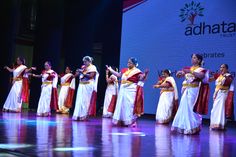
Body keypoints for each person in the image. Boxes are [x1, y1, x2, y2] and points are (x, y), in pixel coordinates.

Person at [171, 54, 209, 134]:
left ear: (199, 60)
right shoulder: (189, 68)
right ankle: (184, 127)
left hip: (194, 91)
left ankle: (193, 126)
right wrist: (179, 74)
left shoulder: (201, 69)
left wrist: (190, 71)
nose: (192, 59)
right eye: (192, 57)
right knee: (184, 108)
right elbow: (181, 75)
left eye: (194, 57)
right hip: (187, 90)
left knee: (192, 108)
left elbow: (201, 76)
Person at [106, 57, 148, 127]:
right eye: (128, 62)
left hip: (131, 90)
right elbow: (119, 75)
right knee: (122, 105)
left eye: (130, 62)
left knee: (129, 105)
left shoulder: (137, 71)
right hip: (123, 90)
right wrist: (110, 69)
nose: (128, 63)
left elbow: (141, 78)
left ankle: (130, 121)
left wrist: (145, 74)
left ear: (134, 64)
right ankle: (122, 120)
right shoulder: (125, 70)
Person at [72, 56, 99, 121]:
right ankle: (78, 115)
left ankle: (84, 116)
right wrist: (77, 72)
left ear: (89, 61)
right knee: (79, 100)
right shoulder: (83, 67)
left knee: (85, 101)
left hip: (88, 85)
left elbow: (91, 76)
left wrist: (82, 72)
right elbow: (77, 75)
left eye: (85, 61)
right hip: (81, 85)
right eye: (83, 61)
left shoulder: (93, 67)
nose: (84, 63)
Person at [209, 64, 234, 130]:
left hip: (223, 94)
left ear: (227, 69)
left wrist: (224, 77)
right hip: (217, 94)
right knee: (214, 109)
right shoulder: (218, 75)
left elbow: (228, 82)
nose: (221, 69)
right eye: (220, 67)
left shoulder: (229, 76)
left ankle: (220, 125)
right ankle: (214, 124)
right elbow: (210, 79)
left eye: (223, 67)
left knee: (221, 109)